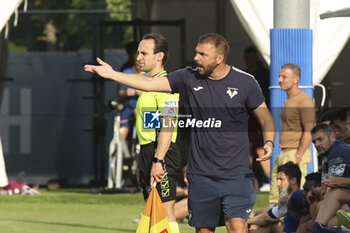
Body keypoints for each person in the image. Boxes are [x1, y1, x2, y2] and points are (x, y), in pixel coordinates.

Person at [85, 33, 276, 233]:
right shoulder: (187, 77)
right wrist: (112, 74)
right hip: (201, 175)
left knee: (236, 227)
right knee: (203, 230)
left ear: (219, 58)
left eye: (202, 54)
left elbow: (266, 118)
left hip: (236, 174)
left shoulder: (245, 82)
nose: (196, 58)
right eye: (196, 52)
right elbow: (149, 85)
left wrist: (269, 142)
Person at [132, 33, 182, 233]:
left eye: (144, 53)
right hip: (148, 151)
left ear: (159, 56)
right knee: (153, 209)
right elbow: (150, 125)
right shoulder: (147, 85)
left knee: (166, 210)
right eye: (138, 52)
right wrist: (143, 160)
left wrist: (158, 160)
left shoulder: (167, 86)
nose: (138, 57)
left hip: (162, 153)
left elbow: (168, 125)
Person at [269, 63, 315, 205]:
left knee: (294, 200)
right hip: (284, 152)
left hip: (295, 154)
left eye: (284, 77)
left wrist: (299, 156)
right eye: (279, 76)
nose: (279, 80)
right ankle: (274, 226)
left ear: (296, 79)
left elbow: (309, 130)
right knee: (275, 199)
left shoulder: (304, 100)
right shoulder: (289, 99)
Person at [310, 123, 350, 233]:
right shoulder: (326, 155)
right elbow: (325, 187)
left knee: (333, 196)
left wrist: (320, 191)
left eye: (320, 139)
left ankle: (318, 227)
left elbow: (330, 189)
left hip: (344, 197)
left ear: (332, 137)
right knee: (317, 205)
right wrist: (313, 191)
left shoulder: (337, 150)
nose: (317, 144)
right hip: (345, 197)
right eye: (314, 142)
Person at [244, 46, 271, 192]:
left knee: (261, 149)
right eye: (247, 58)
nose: (249, 60)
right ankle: (248, 182)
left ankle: (270, 181)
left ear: (256, 57)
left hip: (261, 117)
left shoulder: (266, 75)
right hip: (247, 117)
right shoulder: (245, 75)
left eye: (251, 57)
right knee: (244, 149)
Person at [248, 161, 302, 233]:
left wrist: (244, 221)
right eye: (277, 179)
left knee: (271, 225)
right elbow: (271, 210)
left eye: (281, 179)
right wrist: (253, 214)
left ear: (293, 180)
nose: (277, 184)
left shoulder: (295, 198)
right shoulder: (286, 198)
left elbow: (267, 218)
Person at [118, 41, 143, 140]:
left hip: (145, 108)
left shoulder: (150, 73)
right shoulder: (126, 71)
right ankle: (121, 151)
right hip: (129, 106)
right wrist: (127, 92)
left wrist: (141, 92)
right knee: (123, 128)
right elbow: (120, 93)